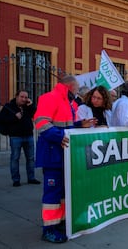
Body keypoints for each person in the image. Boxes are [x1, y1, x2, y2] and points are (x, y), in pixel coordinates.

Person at [34, 75, 95, 243]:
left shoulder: (66, 102)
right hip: (52, 153)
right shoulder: (50, 98)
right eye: (75, 90)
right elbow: (41, 123)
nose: (77, 94)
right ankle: (49, 229)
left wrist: (79, 125)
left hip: (63, 154)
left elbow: (65, 126)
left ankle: (59, 222)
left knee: (62, 191)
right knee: (52, 193)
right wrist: (59, 136)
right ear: (69, 87)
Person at [0, 90, 40, 187]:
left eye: (26, 97)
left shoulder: (27, 106)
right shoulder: (9, 107)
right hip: (15, 136)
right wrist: (14, 117)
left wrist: (31, 105)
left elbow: (35, 114)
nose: (24, 99)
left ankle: (31, 178)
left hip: (28, 135)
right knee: (15, 158)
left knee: (30, 158)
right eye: (22, 97)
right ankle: (16, 180)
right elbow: (0, 119)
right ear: (16, 97)